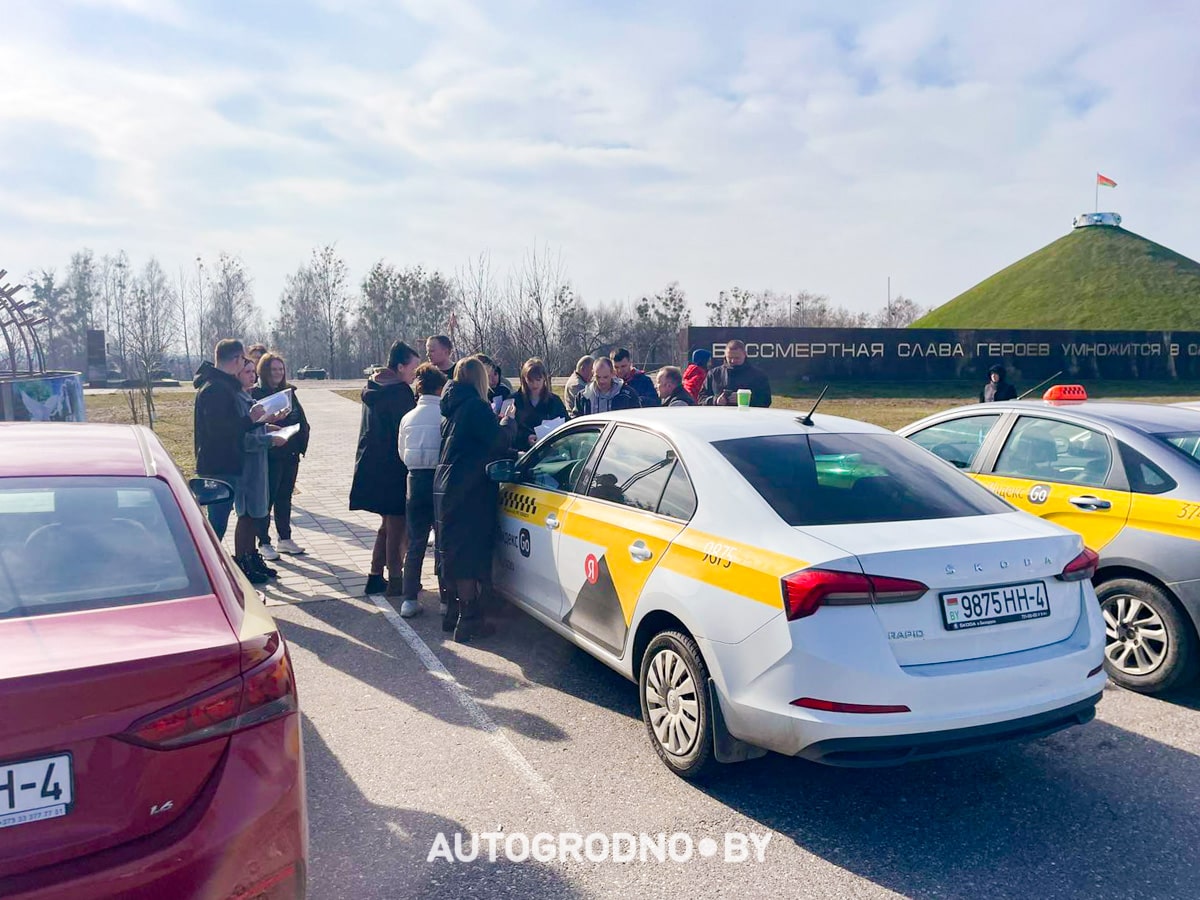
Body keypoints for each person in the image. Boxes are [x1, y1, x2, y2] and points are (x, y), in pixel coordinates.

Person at [435, 357, 512, 642]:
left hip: (447, 484)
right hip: (469, 489)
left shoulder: (452, 406)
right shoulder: (476, 407)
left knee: (453, 550)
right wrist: (508, 423)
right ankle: (468, 620)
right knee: (468, 553)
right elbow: (497, 441)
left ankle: (454, 612)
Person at [349, 340, 421, 597]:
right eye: (413, 368)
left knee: (388, 524)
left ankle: (375, 575)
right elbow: (407, 430)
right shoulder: (399, 392)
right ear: (400, 367)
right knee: (397, 525)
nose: (415, 374)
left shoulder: (374, 385)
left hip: (372, 464)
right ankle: (396, 579)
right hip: (394, 465)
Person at [193, 339, 275, 539]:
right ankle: (206, 558)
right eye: (244, 359)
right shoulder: (216, 389)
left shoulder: (221, 385)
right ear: (237, 359)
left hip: (224, 464)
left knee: (218, 523)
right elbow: (219, 430)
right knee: (216, 526)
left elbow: (230, 425)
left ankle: (210, 556)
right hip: (219, 467)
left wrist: (258, 421)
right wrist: (250, 419)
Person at [397, 363, 449, 619]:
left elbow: (401, 452)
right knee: (442, 540)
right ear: (440, 388)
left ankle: (409, 598)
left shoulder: (408, 417)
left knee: (416, 540)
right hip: (439, 479)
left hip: (415, 479)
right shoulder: (444, 416)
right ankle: (446, 598)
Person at [233, 357, 288, 584]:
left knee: (257, 514)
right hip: (246, 467)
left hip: (259, 464)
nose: (252, 376)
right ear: (236, 374)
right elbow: (242, 438)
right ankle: (242, 562)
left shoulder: (248, 398)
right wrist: (269, 440)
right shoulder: (237, 400)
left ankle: (252, 557)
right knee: (246, 516)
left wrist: (268, 426)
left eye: (252, 372)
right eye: (247, 372)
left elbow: (254, 428)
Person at [253, 352, 311, 559]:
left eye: (280, 369)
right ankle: (263, 542)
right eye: (273, 369)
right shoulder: (256, 394)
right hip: (270, 454)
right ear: (264, 371)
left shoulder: (289, 392)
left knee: (285, 497)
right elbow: (256, 423)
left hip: (290, 452)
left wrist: (301, 442)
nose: (277, 373)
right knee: (267, 499)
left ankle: (285, 539)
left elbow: (300, 418)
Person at [502, 358, 569, 449]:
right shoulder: (513, 401)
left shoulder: (554, 401)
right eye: (530, 380)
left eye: (538, 379)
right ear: (524, 379)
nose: (535, 384)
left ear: (544, 378)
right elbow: (505, 431)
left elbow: (566, 424)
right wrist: (526, 438)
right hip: (522, 452)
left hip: (549, 451)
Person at [699, 339, 772, 407]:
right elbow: (701, 398)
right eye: (729, 358)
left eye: (737, 358)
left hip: (748, 416)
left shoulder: (758, 376)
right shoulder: (714, 374)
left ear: (745, 354)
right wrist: (715, 400)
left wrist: (746, 400)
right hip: (721, 415)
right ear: (725, 355)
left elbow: (766, 401)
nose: (733, 361)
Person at [571, 357, 640, 417]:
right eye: (598, 377)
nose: (602, 381)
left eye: (605, 377)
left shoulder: (628, 395)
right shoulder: (583, 397)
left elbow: (636, 418)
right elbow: (575, 420)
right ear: (593, 373)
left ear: (613, 373)